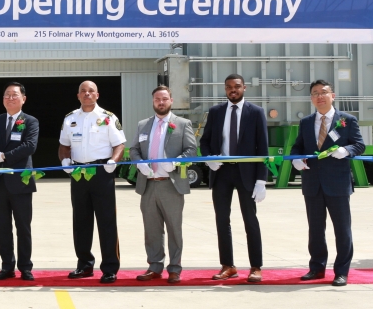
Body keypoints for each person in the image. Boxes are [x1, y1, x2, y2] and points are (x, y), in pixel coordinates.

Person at [290, 80, 365, 287]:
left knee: (342, 229)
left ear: (333, 96)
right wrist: (295, 159)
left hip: (338, 183)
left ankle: (341, 271)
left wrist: (346, 151)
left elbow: (359, 145)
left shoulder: (347, 120)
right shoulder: (306, 122)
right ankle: (316, 268)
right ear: (311, 99)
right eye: (315, 93)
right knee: (315, 229)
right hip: (312, 182)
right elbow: (298, 147)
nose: (319, 96)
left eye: (323, 92)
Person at [200, 74, 268, 283]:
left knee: (250, 220)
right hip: (222, 173)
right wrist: (209, 159)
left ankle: (255, 266)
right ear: (225, 89)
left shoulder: (256, 113)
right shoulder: (216, 112)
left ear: (244, 88)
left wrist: (261, 180)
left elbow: (263, 147)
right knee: (222, 220)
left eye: (237, 86)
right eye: (229, 87)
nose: (233, 90)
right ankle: (228, 266)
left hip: (247, 173)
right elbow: (205, 141)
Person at [58, 80, 126, 284]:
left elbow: (120, 144)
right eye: (83, 92)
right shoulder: (70, 118)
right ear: (78, 96)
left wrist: (113, 161)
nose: (87, 94)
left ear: (97, 95)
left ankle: (110, 268)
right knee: (81, 221)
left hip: (102, 172)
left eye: (91, 91)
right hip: (79, 173)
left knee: (106, 221)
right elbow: (63, 145)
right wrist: (65, 161)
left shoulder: (108, 118)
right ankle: (84, 264)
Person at [129, 85, 197, 284]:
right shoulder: (143, 125)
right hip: (148, 184)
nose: (161, 102)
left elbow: (191, 150)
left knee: (174, 228)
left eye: (164, 99)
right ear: (153, 102)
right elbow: (133, 149)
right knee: (152, 229)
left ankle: (174, 268)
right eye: (157, 99)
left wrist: (175, 162)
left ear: (171, 101)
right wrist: (139, 163)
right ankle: (154, 266)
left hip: (171, 185)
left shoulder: (182, 124)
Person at [0, 82, 39, 281]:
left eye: (14, 95)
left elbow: (30, 146)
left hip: (21, 182)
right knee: (3, 227)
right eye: (6, 95)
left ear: (23, 99)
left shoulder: (30, 121)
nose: (10, 98)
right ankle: (7, 266)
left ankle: (25, 267)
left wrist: (5, 157)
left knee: (23, 226)